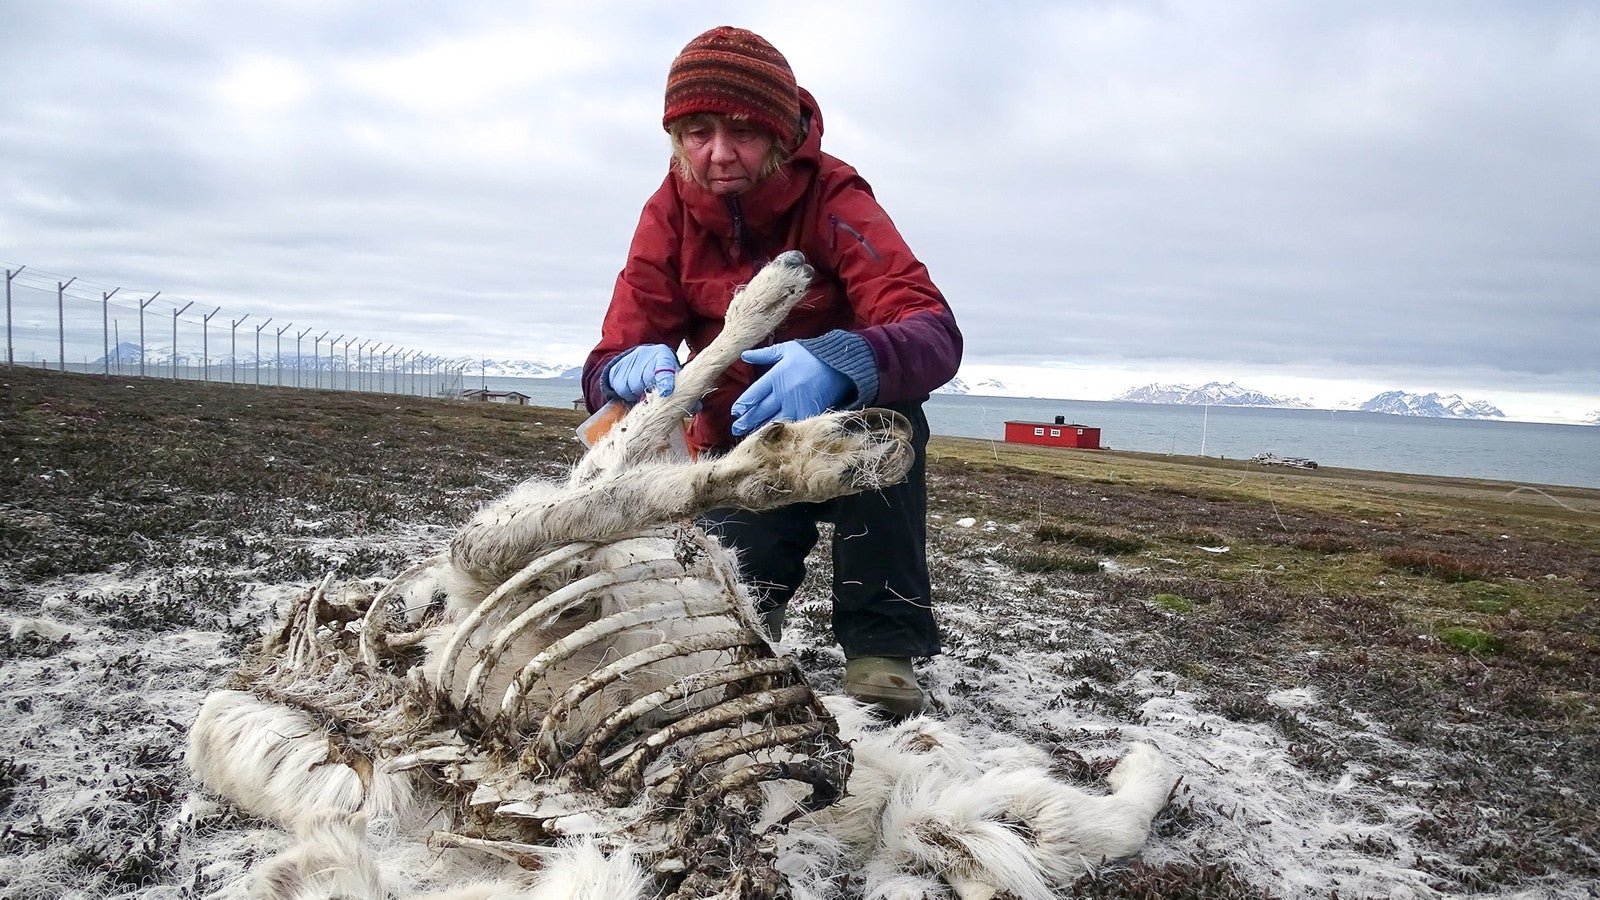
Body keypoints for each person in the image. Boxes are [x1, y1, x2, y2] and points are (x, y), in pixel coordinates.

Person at [581, 25, 961, 718]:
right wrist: (620, 373)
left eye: (743, 133)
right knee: (732, 618)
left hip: (845, 422)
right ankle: (750, 629)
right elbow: (610, 355)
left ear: (781, 133)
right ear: (674, 137)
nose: (719, 154)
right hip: (738, 440)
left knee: (894, 426)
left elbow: (932, 331)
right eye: (697, 131)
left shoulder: (834, 196)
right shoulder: (667, 214)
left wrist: (841, 362)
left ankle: (882, 647)